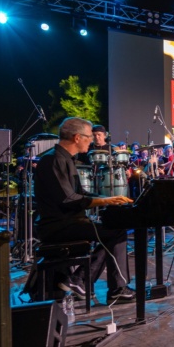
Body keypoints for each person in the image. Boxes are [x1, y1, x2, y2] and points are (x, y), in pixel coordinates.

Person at [34, 117, 135, 303]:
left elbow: (81, 193)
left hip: (68, 222)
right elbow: (68, 199)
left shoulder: (66, 160)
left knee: (115, 229)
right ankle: (91, 282)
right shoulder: (53, 160)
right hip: (58, 226)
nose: (92, 140)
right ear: (77, 137)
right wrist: (105, 200)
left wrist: (107, 199)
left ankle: (83, 280)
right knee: (116, 231)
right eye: (89, 137)